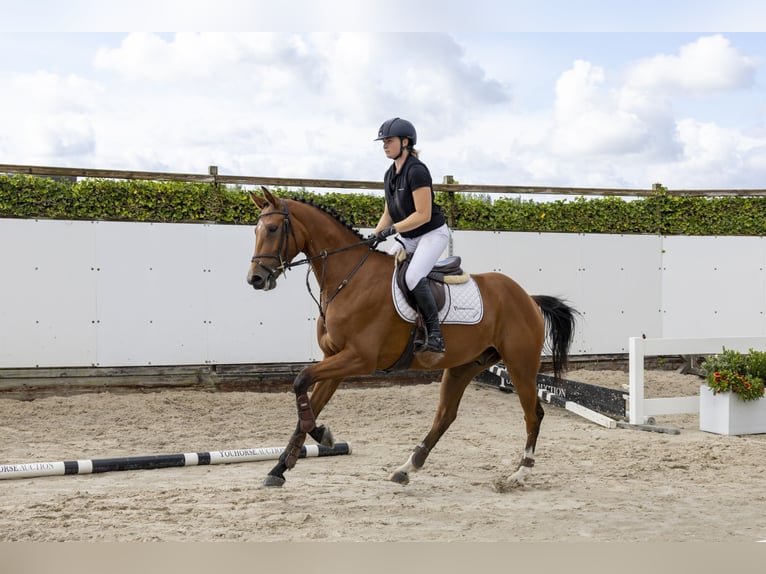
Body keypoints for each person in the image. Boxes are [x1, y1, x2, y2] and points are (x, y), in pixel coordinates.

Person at [372, 117, 450, 354]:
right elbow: (389, 212)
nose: (384, 145)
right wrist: (374, 235)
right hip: (408, 237)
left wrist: (393, 229)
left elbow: (423, 215)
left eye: (389, 141)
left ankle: (435, 333)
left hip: (431, 234)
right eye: (383, 142)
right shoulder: (389, 174)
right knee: (384, 272)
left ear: (405, 142)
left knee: (414, 276)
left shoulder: (416, 170)